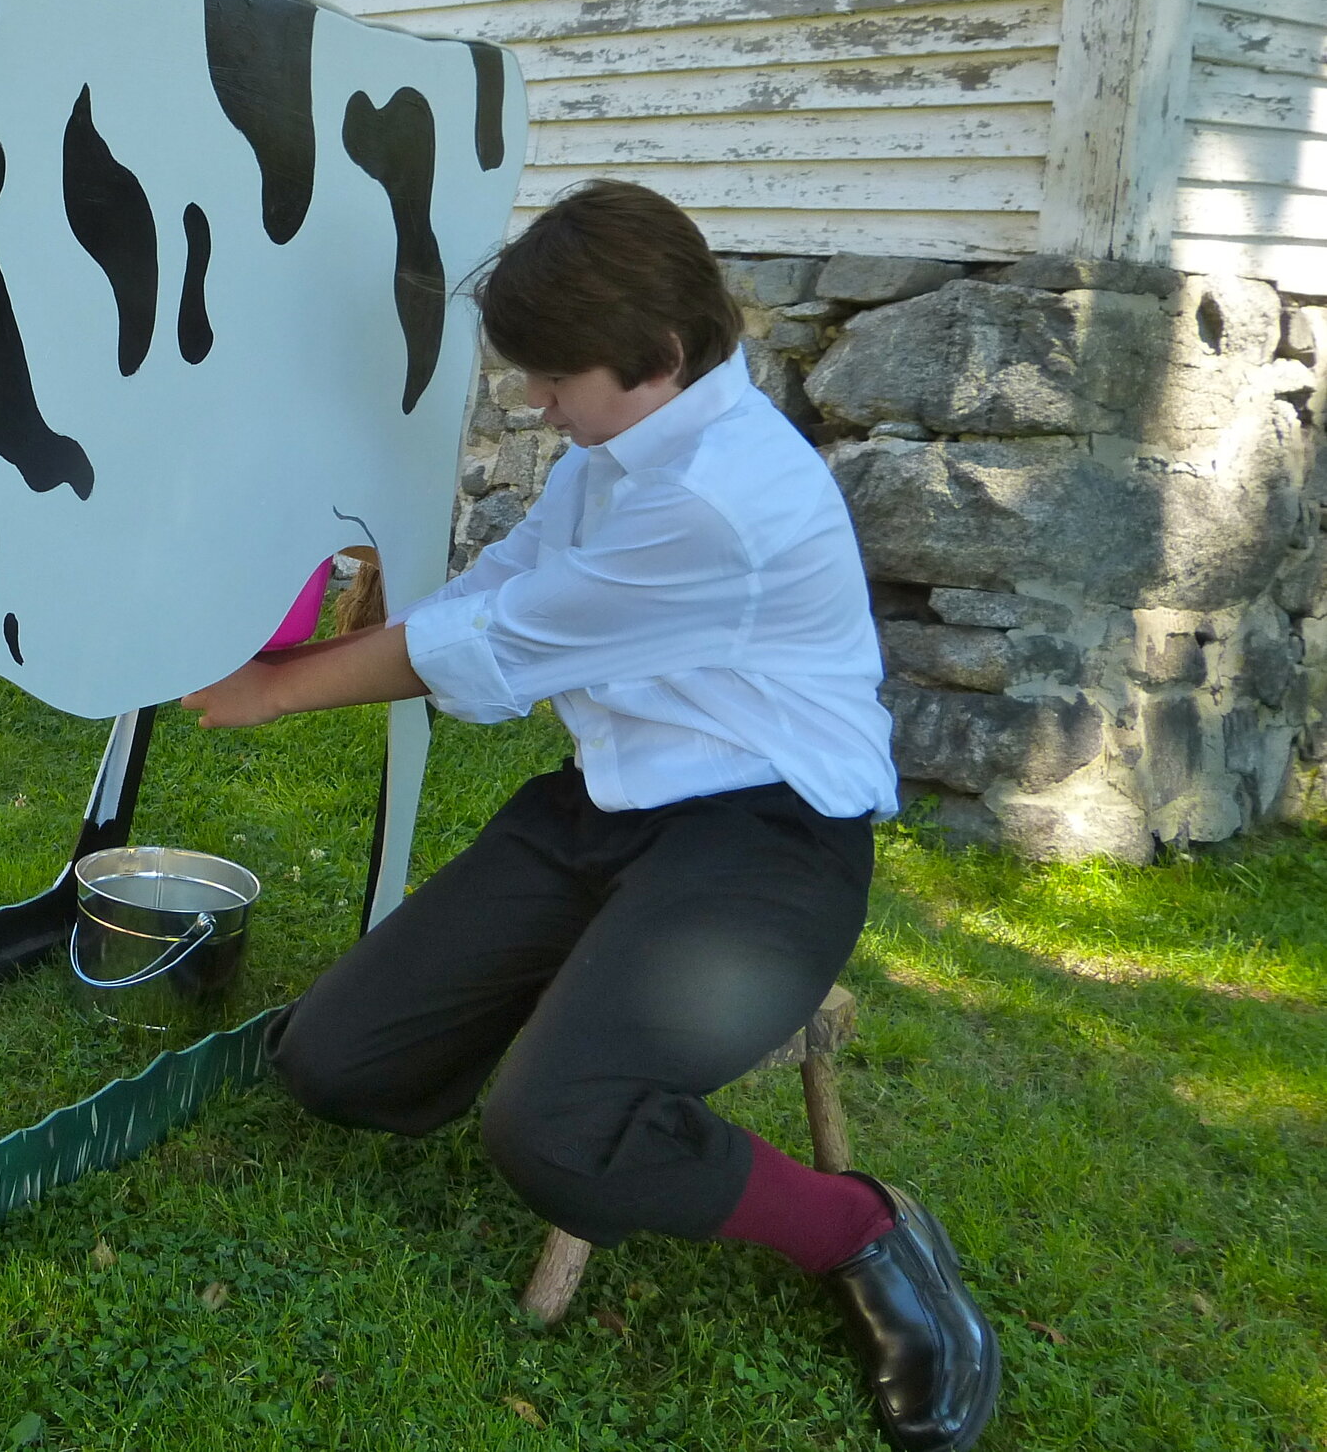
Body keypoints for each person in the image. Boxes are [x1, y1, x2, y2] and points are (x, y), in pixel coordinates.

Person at [181, 181, 998, 1452]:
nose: (532, 401)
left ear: (661, 356)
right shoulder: (619, 454)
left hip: (767, 841)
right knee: (335, 1064)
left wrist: (270, 693)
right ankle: (592, 989)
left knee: (557, 1135)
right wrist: (353, 617)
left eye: (554, 377)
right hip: (611, 812)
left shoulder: (715, 500)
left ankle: (865, 1230)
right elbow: (505, 586)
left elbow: (501, 642)